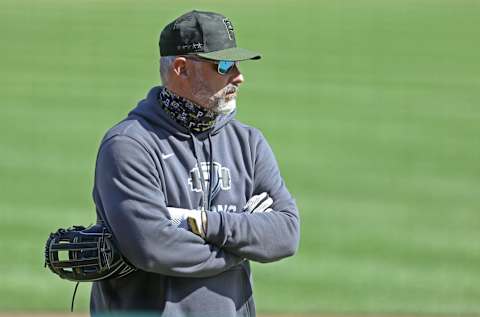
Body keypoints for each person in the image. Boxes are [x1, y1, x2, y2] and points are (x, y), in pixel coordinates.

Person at [91, 10, 300, 317]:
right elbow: (154, 248)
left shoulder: (249, 143)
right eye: (224, 65)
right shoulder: (129, 146)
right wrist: (241, 245)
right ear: (181, 68)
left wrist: (203, 224)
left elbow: (286, 233)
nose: (239, 76)